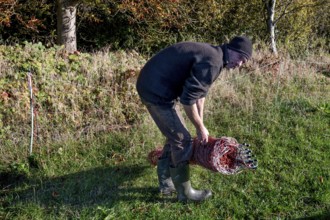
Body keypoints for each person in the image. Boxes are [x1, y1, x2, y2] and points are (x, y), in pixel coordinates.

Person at [136, 36, 253, 203]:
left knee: (176, 136)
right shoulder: (213, 62)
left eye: (244, 62)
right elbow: (188, 100)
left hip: (156, 86)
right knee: (183, 140)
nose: (240, 64)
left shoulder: (216, 57)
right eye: (241, 58)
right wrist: (199, 128)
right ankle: (185, 194)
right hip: (155, 92)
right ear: (232, 50)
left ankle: (165, 182)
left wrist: (202, 124)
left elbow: (200, 95)